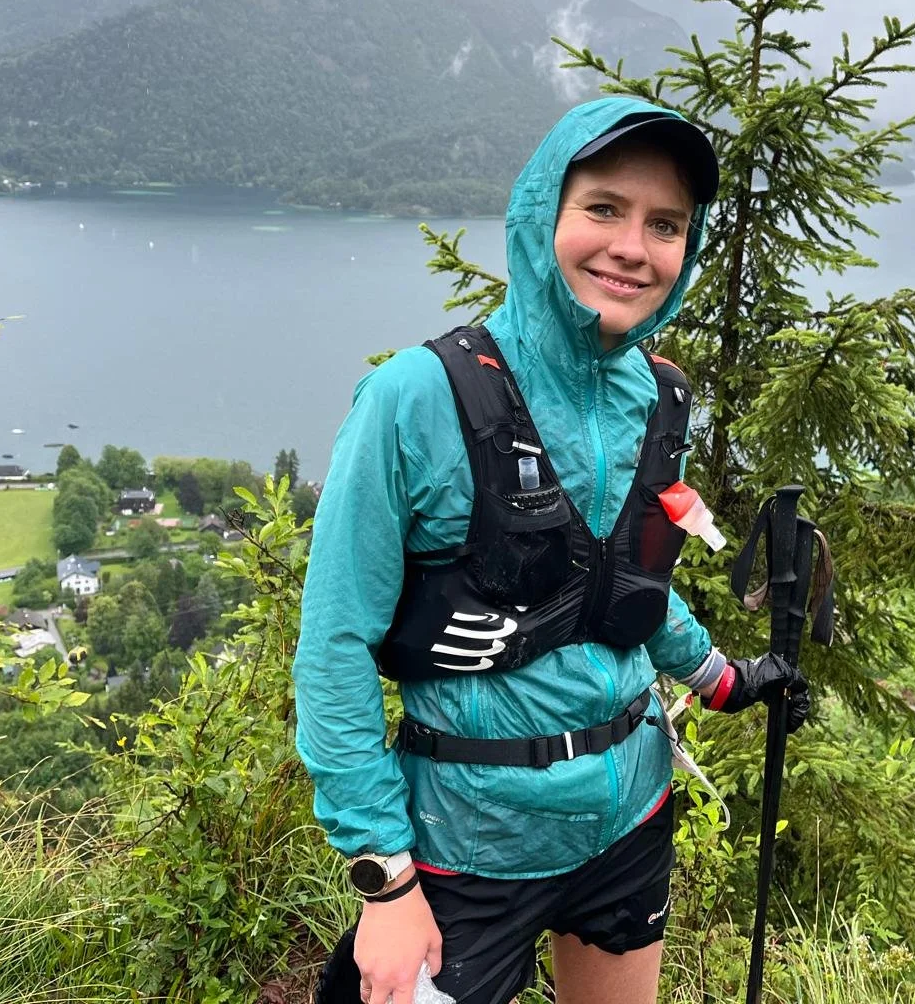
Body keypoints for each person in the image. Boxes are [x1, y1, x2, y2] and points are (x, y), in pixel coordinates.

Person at [295, 97, 809, 1004]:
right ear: (544, 217)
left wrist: (724, 679)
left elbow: (623, 581)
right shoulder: (416, 395)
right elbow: (335, 646)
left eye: (665, 225)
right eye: (604, 209)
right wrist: (386, 878)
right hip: (463, 846)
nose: (632, 246)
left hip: (630, 821)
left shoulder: (659, 398)